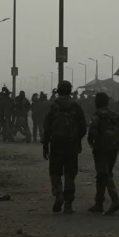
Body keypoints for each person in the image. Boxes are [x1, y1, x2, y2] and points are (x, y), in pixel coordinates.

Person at [41, 80, 88, 215]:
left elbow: (47, 128)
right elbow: (83, 127)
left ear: (58, 90)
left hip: (56, 143)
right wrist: (76, 139)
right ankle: (68, 204)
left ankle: (58, 194)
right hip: (71, 145)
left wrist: (45, 145)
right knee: (70, 173)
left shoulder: (53, 106)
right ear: (70, 91)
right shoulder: (76, 106)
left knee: (55, 172)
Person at [86, 92, 119, 215]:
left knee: (104, 173)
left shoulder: (97, 115)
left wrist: (91, 141)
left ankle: (114, 200)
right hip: (113, 147)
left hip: (101, 147)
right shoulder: (115, 115)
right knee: (102, 174)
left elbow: (93, 130)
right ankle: (99, 203)